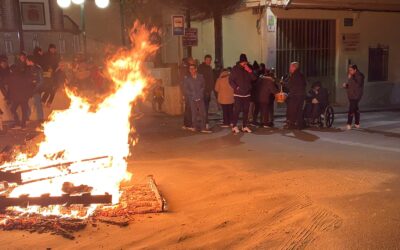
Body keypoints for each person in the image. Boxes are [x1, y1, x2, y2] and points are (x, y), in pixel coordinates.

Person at [229, 54, 257, 133]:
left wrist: (249, 70)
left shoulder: (248, 68)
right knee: (237, 110)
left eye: (246, 62)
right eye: (244, 62)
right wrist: (236, 87)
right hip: (238, 94)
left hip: (247, 94)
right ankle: (234, 126)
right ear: (240, 62)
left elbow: (254, 78)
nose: (245, 64)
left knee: (246, 111)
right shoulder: (235, 69)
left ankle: (244, 126)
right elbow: (230, 80)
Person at [183, 64, 211, 133]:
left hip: (200, 97)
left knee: (203, 113)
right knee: (194, 114)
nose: (191, 70)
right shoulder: (187, 78)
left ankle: (203, 128)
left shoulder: (200, 77)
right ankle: (195, 127)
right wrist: (193, 95)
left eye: (193, 69)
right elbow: (186, 89)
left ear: (196, 69)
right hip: (192, 98)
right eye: (190, 69)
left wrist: (199, 94)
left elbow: (203, 86)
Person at [7, 64, 33, 129]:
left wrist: (9, 97)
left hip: (16, 97)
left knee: (13, 109)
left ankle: (17, 121)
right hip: (24, 97)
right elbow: (29, 86)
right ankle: (23, 124)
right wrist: (29, 94)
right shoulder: (23, 76)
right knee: (24, 111)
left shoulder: (11, 77)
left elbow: (10, 88)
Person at [283, 62, 307, 129]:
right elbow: (305, 84)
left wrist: (283, 83)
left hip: (295, 95)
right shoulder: (301, 74)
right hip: (301, 95)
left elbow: (289, 85)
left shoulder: (294, 75)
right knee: (299, 110)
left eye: (290, 67)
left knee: (292, 110)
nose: (289, 68)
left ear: (294, 67)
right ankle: (300, 125)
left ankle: (291, 125)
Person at [343, 64, 364, 130]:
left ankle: (349, 124)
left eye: (351, 70)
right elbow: (351, 85)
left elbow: (358, 84)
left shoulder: (360, 75)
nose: (350, 72)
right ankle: (357, 123)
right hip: (351, 95)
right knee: (355, 109)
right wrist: (346, 85)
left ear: (355, 70)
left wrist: (351, 78)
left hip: (356, 95)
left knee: (351, 109)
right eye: (349, 70)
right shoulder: (352, 76)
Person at [197, 54, 214, 128]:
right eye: (207, 60)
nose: (209, 61)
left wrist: (210, 89)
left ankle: (205, 122)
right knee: (204, 107)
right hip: (204, 91)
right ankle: (205, 122)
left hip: (207, 90)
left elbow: (211, 80)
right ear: (204, 60)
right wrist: (205, 89)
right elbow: (201, 80)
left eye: (210, 60)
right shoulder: (201, 68)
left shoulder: (209, 68)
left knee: (205, 107)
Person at [26, 55, 44, 123]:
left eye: (27, 60)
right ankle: (27, 117)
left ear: (30, 61)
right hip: (28, 89)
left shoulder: (38, 68)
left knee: (38, 104)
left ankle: (40, 119)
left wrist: (35, 89)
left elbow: (41, 81)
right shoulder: (27, 68)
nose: (26, 62)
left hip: (36, 90)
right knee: (25, 103)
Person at [179, 58, 193, 130]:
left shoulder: (182, 68)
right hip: (188, 92)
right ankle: (189, 124)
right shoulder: (186, 70)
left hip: (186, 92)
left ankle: (186, 124)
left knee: (188, 108)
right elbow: (186, 82)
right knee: (189, 108)